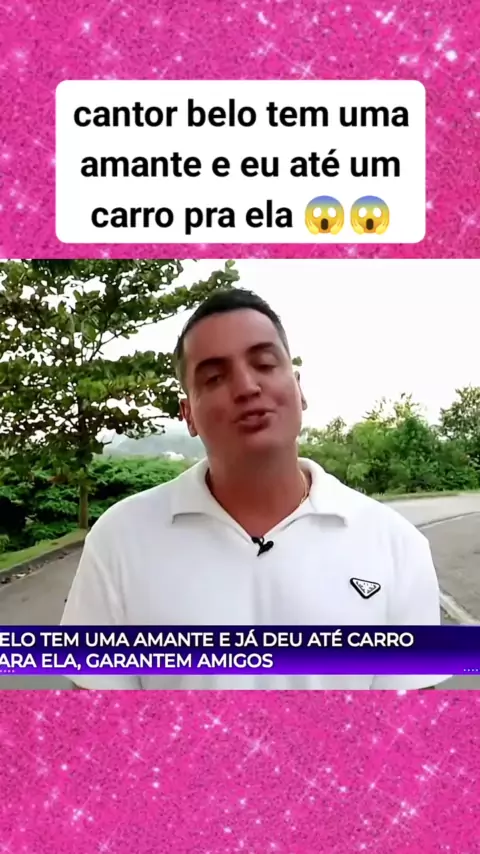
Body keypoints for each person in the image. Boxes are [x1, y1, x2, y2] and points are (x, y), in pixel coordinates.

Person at [62, 288, 449, 690]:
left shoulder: (396, 546)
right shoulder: (119, 541)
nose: (246, 387)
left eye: (264, 364)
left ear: (298, 388)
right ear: (188, 414)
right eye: (215, 377)